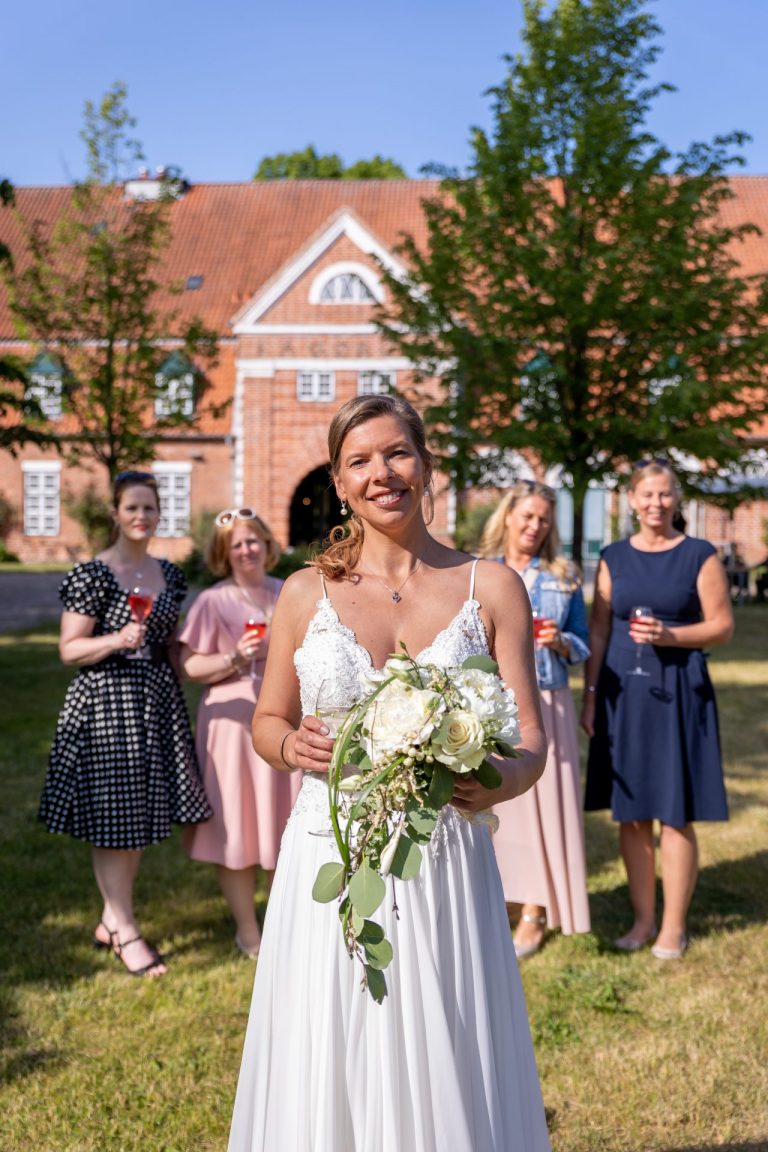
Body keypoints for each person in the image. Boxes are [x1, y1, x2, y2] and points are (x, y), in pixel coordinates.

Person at [228, 395, 551, 1152]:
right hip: (332, 853)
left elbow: (531, 740)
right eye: (361, 461)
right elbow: (265, 722)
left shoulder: (492, 587)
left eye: (397, 453)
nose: (383, 473)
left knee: (446, 1041)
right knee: (330, 1044)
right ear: (339, 483)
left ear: (425, 462)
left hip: (444, 859)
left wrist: (500, 780)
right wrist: (290, 748)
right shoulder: (305, 593)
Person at [39, 470, 211, 976]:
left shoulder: (169, 575)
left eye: (149, 508)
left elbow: (174, 643)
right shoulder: (94, 574)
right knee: (115, 820)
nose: (141, 516)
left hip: (155, 702)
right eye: (132, 508)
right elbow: (69, 649)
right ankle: (124, 927)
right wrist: (116, 639)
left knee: (134, 818)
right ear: (115, 513)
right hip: (106, 705)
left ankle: (109, 919)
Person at [580, 459, 733, 959]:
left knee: (674, 811)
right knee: (630, 813)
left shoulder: (699, 554)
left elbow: (722, 627)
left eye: (664, 494)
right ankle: (643, 918)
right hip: (622, 691)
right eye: (646, 494)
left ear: (676, 499)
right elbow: (600, 628)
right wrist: (590, 693)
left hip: (678, 689)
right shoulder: (613, 557)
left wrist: (671, 636)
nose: (655, 503)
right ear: (631, 499)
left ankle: (673, 925)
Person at [179, 509, 301, 957]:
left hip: (286, 719)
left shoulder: (289, 592)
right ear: (223, 553)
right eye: (236, 544)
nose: (246, 550)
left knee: (284, 823)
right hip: (232, 729)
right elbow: (189, 666)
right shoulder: (213, 601)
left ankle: (284, 921)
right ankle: (248, 931)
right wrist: (234, 656)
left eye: (253, 541)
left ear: (267, 545)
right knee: (237, 824)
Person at [479, 480, 591, 957]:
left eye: (543, 519)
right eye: (527, 516)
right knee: (500, 807)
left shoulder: (563, 578)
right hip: (491, 704)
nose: (534, 526)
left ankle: (535, 910)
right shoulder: (478, 573)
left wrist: (562, 643)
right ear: (507, 516)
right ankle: (502, 897)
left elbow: (582, 643)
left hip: (548, 700)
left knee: (544, 808)